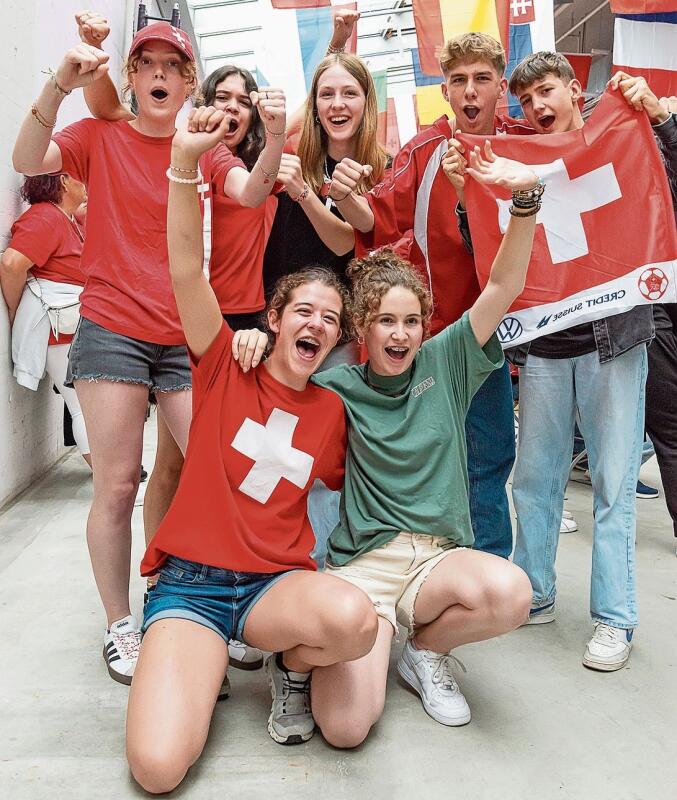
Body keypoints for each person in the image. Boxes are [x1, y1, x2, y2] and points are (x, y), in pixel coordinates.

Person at [11, 16, 285, 685]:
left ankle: (203, 600)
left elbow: (249, 191)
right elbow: (26, 159)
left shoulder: (200, 142)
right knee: (116, 485)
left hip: (187, 332)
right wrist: (58, 83)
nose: (159, 75)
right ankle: (119, 624)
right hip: (111, 327)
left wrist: (273, 138)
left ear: (189, 81)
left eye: (172, 66)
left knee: (215, 469)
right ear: (131, 77)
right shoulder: (99, 135)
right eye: (147, 65)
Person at [125, 105, 378, 794]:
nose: (316, 324)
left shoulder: (331, 410)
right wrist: (183, 165)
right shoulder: (223, 364)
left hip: (275, 587)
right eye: (302, 310)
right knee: (156, 769)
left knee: (355, 622)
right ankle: (194, 665)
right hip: (192, 588)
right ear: (272, 319)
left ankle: (289, 665)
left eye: (329, 319)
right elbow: (184, 269)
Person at [276, 142, 538, 745]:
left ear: (426, 325)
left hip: (436, 561)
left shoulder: (446, 361)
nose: (400, 334)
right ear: (362, 331)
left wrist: (525, 199)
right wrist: (250, 345)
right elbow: (279, 376)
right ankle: (367, 638)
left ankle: (425, 650)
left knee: (511, 592)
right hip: (364, 570)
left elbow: (503, 285)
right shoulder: (337, 383)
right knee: (344, 729)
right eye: (385, 322)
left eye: (411, 321)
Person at [328, 32, 533, 559]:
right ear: (445, 88)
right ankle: (435, 565)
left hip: (503, 332)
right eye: (459, 80)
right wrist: (344, 194)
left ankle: (487, 567)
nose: (470, 91)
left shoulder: (525, 144)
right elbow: (373, 220)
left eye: (482, 79)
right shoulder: (424, 149)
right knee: (438, 460)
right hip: (437, 338)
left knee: (490, 458)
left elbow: (579, 151)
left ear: (501, 87)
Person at [506, 52, 655, 672]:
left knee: (615, 482)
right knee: (535, 480)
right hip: (546, 347)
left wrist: (661, 116)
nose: (538, 108)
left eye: (547, 92)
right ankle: (533, 593)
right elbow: (491, 237)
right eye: (526, 102)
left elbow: (664, 179)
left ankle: (615, 620)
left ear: (573, 89)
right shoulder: (517, 162)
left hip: (614, 340)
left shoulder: (622, 139)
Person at [263, 45, 389, 368]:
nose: (337, 104)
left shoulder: (382, 169)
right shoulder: (292, 156)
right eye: (326, 95)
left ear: (366, 102)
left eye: (349, 93)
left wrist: (304, 192)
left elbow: (347, 242)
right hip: (283, 322)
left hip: (344, 332)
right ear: (314, 106)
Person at [1, 173, 91, 466]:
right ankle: (108, 481)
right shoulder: (45, 217)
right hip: (59, 321)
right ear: (64, 180)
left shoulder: (63, 218)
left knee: (89, 405)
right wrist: (15, 310)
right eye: (82, 176)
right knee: (83, 406)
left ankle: (111, 479)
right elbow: (12, 263)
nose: (87, 184)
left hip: (70, 320)